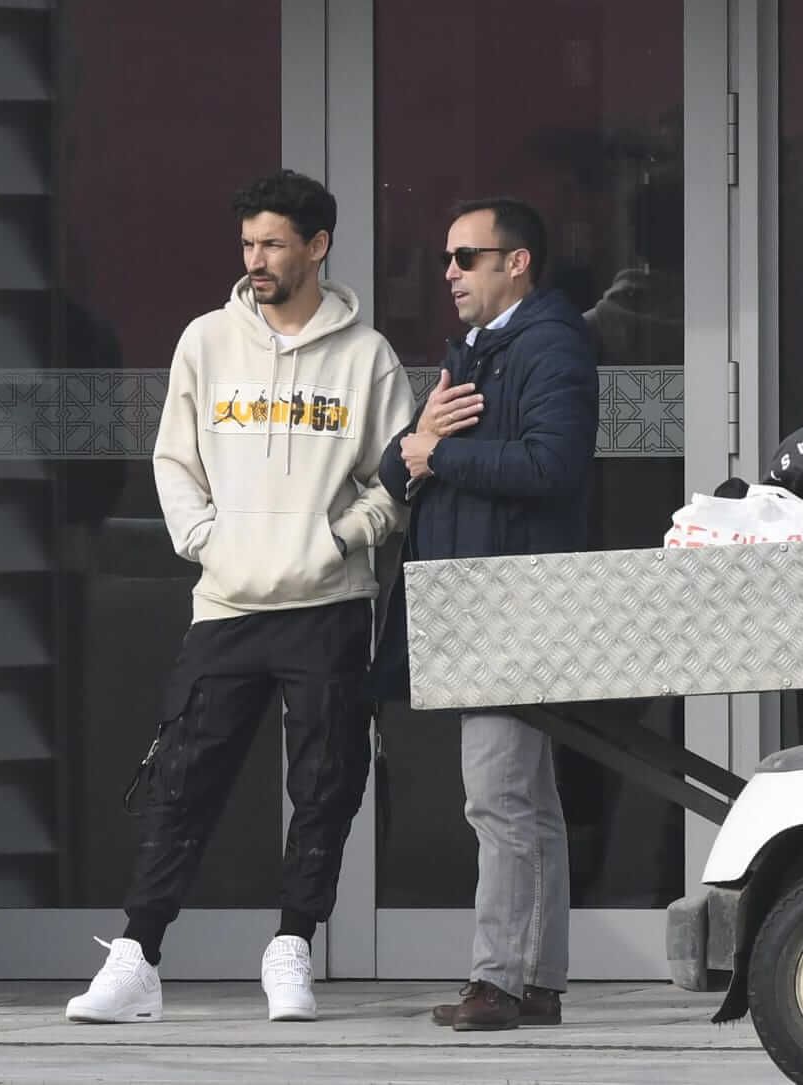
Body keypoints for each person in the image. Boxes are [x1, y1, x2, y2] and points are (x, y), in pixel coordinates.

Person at [65, 170, 414, 1024]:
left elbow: (398, 479)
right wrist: (208, 542)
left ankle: (292, 945)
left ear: (317, 246)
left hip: (328, 604)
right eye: (248, 244)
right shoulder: (206, 342)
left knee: (328, 783)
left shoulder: (367, 358)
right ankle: (138, 956)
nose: (255, 260)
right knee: (183, 780)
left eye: (272, 244)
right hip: (225, 606)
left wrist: (338, 537)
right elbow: (173, 464)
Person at [379, 198, 599, 1031]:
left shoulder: (550, 344)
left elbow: (555, 463)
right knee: (525, 800)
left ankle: (498, 981)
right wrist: (423, 440)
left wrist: (442, 452)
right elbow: (402, 468)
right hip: (469, 606)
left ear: (517, 263)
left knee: (498, 797)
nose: (448, 273)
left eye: (466, 257)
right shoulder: (471, 355)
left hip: (514, 600)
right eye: (447, 258)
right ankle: (537, 980)